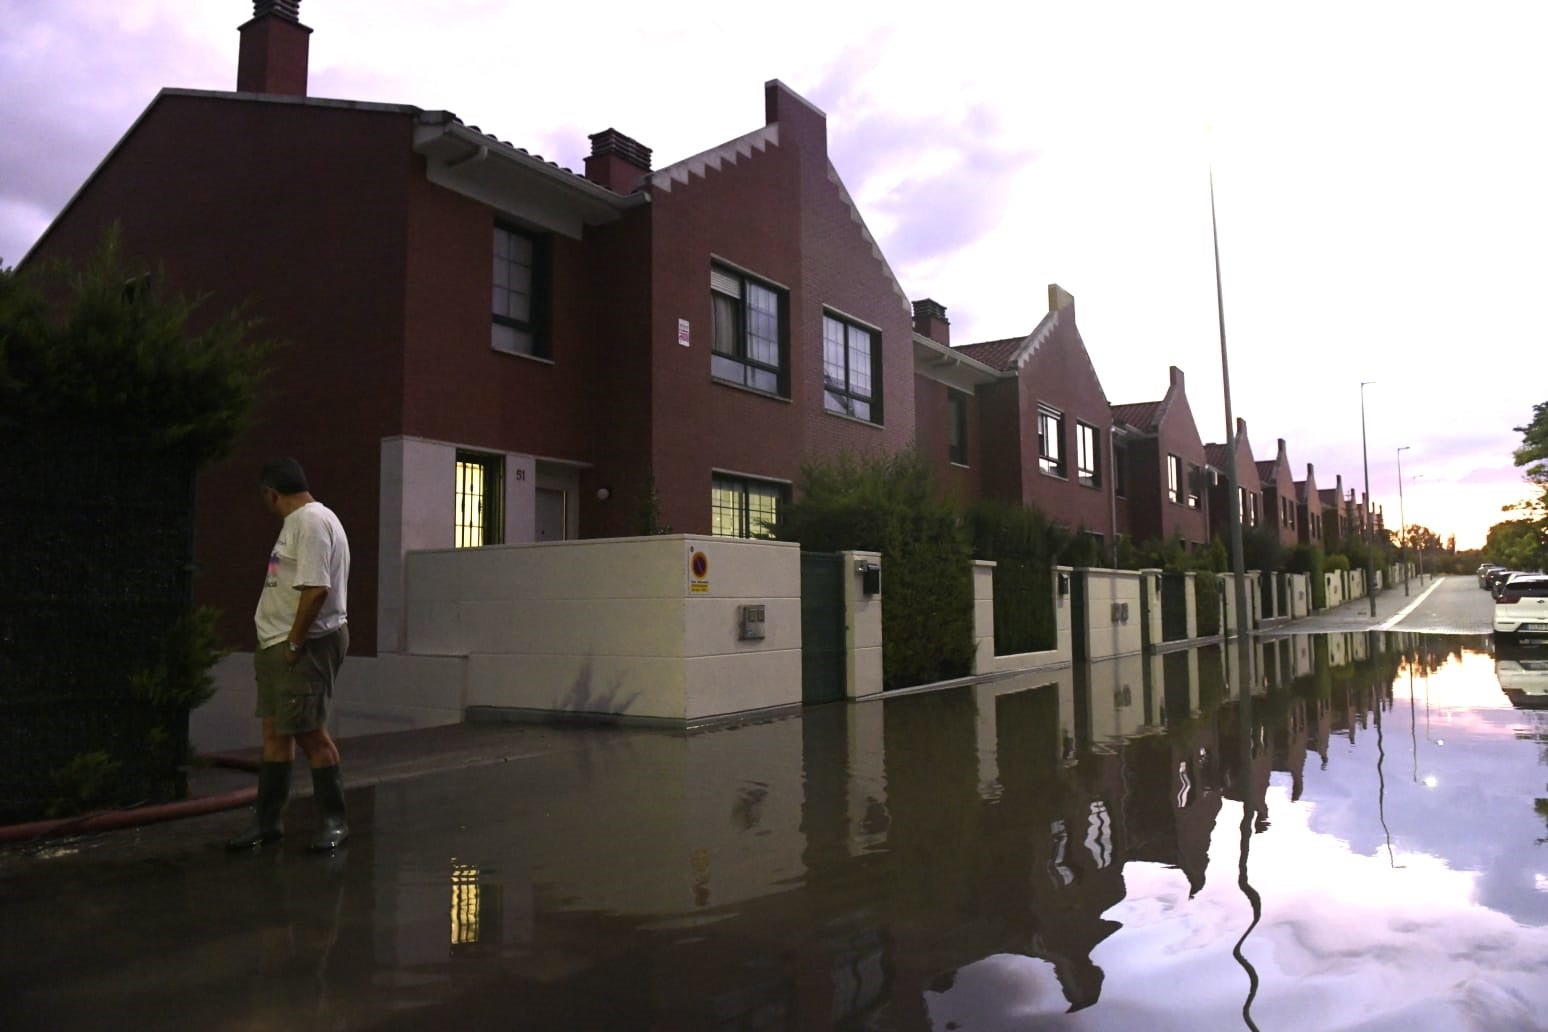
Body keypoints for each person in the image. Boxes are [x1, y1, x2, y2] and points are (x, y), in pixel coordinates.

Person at [228, 457, 352, 852]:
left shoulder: (311, 522)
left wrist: (295, 642)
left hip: (302, 644)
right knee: (276, 730)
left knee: (310, 731)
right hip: (278, 642)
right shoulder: (301, 522)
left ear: (271, 493)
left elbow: (316, 589)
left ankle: (335, 822)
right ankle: (267, 823)